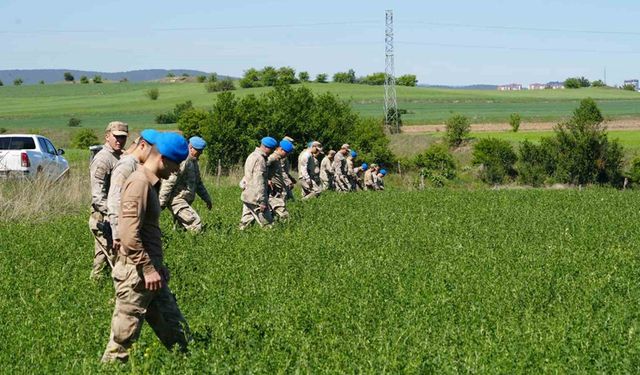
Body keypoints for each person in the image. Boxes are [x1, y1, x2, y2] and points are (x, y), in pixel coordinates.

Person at [101, 132, 191, 363]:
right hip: (136, 274)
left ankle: (189, 362)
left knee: (175, 329)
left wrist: (157, 268)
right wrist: (148, 268)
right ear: (161, 159)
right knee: (122, 339)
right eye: (176, 164)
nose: (177, 171)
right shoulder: (139, 183)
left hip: (150, 274)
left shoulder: (150, 183)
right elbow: (128, 234)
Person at [108, 129, 159, 253]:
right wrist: (118, 234)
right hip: (123, 231)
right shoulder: (127, 165)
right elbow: (115, 199)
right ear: (142, 145)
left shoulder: (139, 165)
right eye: (152, 153)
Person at [89, 121, 128, 280]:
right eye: (116, 137)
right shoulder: (103, 159)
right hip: (103, 218)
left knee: (106, 256)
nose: (119, 140)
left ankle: (97, 286)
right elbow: (97, 196)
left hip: (114, 217)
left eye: (123, 137)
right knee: (112, 258)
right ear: (107, 136)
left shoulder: (120, 156)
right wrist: (114, 213)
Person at [159, 136, 212, 233]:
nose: (201, 153)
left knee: (181, 230)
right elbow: (169, 181)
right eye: (198, 150)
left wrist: (207, 198)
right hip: (177, 200)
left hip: (184, 200)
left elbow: (198, 183)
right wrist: (161, 202)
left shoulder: (194, 161)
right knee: (195, 223)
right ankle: (197, 246)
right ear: (190, 147)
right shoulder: (183, 161)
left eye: (202, 150)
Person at [239, 137, 277, 229]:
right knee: (268, 225)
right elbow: (259, 182)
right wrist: (262, 201)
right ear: (266, 147)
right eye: (271, 149)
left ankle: (238, 238)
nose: (272, 152)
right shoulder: (260, 160)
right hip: (255, 197)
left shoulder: (252, 155)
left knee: (246, 223)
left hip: (247, 194)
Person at [267, 139, 295, 221]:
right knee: (283, 212)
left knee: (272, 213)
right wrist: (267, 179)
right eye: (286, 152)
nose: (286, 155)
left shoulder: (278, 159)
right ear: (280, 149)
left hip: (278, 190)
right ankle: (288, 228)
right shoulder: (272, 158)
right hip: (273, 191)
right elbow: (262, 168)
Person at [281, 136, 297, 200]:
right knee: (284, 197)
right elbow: (281, 171)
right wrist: (288, 181)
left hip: (285, 179)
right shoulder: (282, 156)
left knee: (290, 198)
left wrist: (291, 178)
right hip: (282, 180)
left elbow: (285, 170)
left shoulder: (285, 156)